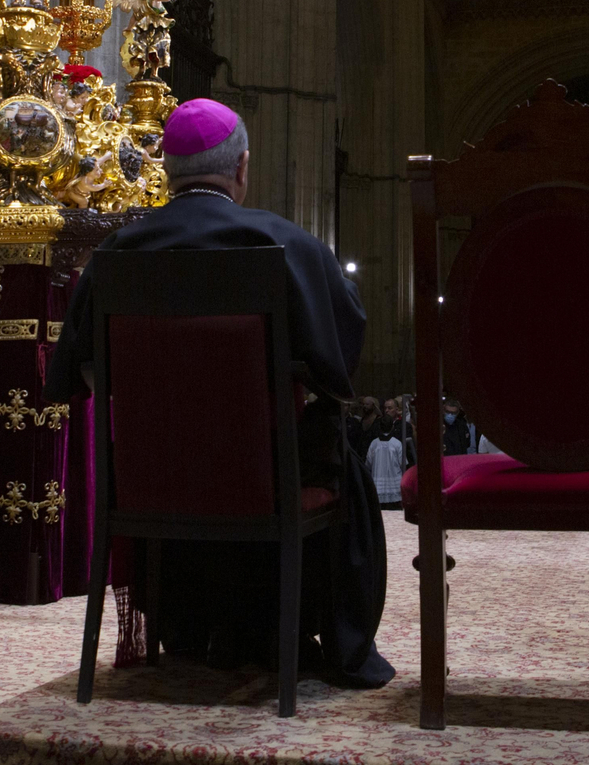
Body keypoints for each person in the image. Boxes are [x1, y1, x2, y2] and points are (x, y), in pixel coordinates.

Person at [44, 98, 393, 689]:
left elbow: (80, 374)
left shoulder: (113, 255)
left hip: (151, 478)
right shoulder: (288, 246)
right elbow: (339, 364)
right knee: (341, 466)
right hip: (263, 478)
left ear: (167, 168)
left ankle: (193, 630)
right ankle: (309, 639)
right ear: (242, 167)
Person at [365, 419, 406, 509]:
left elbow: (368, 464)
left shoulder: (374, 444)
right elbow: (403, 465)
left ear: (379, 427)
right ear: (392, 427)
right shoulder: (397, 444)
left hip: (378, 487)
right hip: (394, 488)